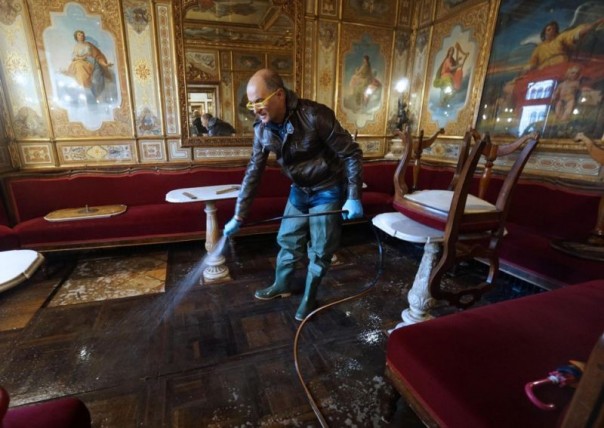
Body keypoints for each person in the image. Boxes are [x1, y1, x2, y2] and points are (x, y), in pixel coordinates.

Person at [223, 68, 364, 321]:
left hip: (327, 188)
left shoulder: (314, 115)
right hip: (299, 189)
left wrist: (353, 195)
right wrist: (239, 215)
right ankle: (282, 285)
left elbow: (351, 153)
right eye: (251, 104)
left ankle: (309, 297)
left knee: (320, 249)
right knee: (287, 239)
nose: (255, 109)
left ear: (279, 95)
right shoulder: (262, 129)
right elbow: (253, 172)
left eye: (259, 101)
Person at [527, 18, 604, 71]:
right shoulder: (539, 48)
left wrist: (595, 24)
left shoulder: (561, 37)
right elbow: (532, 63)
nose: (552, 31)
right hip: (545, 70)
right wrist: (529, 67)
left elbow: (575, 34)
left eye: (554, 29)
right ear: (544, 33)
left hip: (562, 66)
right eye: (548, 30)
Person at [63, 30, 113, 101]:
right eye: (79, 35)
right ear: (76, 37)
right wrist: (81, 58)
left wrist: (105, 64)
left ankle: (95, 95)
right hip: (80, 63)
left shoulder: (89, 45)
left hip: (92, 62)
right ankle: (86, 93)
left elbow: (98, 56)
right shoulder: (76, 46)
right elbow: (74, 57)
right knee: (79, 68)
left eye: (82, 34)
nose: (81, 36)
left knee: (95, 79)